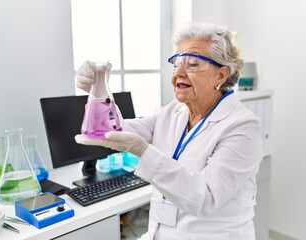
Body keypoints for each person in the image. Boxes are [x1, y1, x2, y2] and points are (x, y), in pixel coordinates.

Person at [75, 23, 263, 240]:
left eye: (192, 64)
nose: (179, 73)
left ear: (221, 75)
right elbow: (113, 131)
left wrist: (144, 152)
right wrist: (97, 88)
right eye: (176, 64)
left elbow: (206, 197)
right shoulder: (174, 112)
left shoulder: (242, 127)